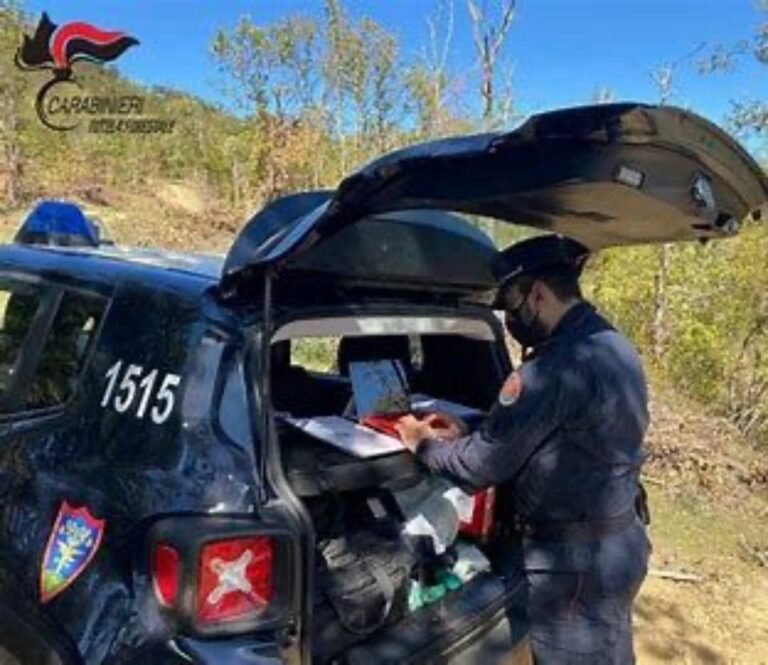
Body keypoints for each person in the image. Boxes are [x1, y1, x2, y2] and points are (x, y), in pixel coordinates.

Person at [395, 234, 651, 664]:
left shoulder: (553, 367)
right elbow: (560, 426)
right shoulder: (612, 345)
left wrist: (421, 445)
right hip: (620, 544)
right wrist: (475, 425)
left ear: (538, 294)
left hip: (573, 569)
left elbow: (479, 467)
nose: (511, 318)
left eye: (512, 306)